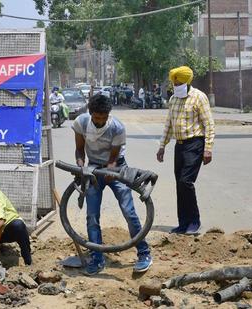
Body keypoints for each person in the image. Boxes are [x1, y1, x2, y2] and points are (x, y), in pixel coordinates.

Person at [72, 94, 152, 275]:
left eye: (104, 117)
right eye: (96, 117)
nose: (100, 121)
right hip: (92, 170)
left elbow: (114, 156)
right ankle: (97, 257)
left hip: (116, 168)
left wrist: (110, 170)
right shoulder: (81, 123)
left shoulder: (117, 128)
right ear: (90, 113)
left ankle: (144, 253)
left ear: (109, 114)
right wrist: (80, 167)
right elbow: (79, 148)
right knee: (92, 216)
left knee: (128, 211)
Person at [156, 66, 215, 235]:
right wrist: (162, 146)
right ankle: (183, 223)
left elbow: (209, 124)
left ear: (187, 81)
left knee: (186, 182)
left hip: (195, 144)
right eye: (174, 82)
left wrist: (208, 149)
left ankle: (194, 222)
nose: (176, 85)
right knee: (179, 185)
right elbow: (169, 124)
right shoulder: (173, 99)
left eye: (179, 82)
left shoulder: (199, 97)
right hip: (179, 146)